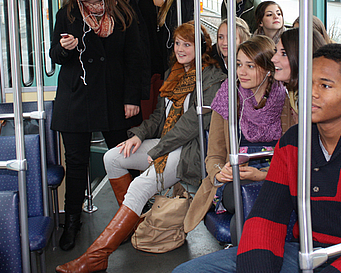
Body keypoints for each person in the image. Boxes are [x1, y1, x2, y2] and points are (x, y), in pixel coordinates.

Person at [174, 44, 341, 273]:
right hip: (305, 253)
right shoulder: (294, 142)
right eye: (308, 83)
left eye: (325, 86)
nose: (311, 93)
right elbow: (266, 219)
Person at [56, 23, 226, 273]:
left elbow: (189, 127)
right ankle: (133, 225)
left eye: (187, 44)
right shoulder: (173, 73)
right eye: (177, 43)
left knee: (140, 185)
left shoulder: (212, 80)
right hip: (168, 144)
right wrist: (138, 136)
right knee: (113, 157)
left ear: (201, 48)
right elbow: (158, 117)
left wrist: (156, 151)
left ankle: (97, 255)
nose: (180, 49)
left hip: (192, 151)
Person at [50, 0, 143, 252]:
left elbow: (134, 59)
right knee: (76, 163)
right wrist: (65, 50)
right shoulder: (67, 13)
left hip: (113, 96)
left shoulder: (122, 13)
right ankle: (73, 224)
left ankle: (131, 218)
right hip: (76, 96)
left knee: (124, 157)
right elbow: (54, 54)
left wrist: (131, 99)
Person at [184, 35, 290, 240]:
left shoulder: (286, 101)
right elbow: (214, 155)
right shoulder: (228, 97)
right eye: (239, 64)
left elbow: (292, 158)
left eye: (250, 66)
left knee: (247, 215)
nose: (241, 71)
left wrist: (261, 175)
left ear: (268, 69)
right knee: (245, 198)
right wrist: (219, 172)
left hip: (274, 174)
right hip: (235, 178)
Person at [119, 0, 194, 119]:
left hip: (171, 69)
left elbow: (188, 33)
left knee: (167, 123)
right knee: (141, 123)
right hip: (140, 69)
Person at [272, 27, 327, 128]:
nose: (273, 59)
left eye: (283, 54)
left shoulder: (319, 100)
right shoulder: (296, 92)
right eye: (276, 51)